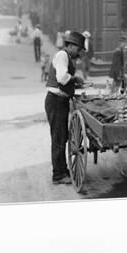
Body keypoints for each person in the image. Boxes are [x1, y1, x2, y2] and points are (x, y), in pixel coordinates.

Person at [44, 31, 86, 185]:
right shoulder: (62, 55)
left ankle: (62, 169)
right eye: (79, 49)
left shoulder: (67, 57)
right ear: (71, 46)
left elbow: (64, 79)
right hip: (55, 101)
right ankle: (58, 175)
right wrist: (74, 78)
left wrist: (76, 83)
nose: (79, 53)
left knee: (62, 136)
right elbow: (62, 78)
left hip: (60, 101)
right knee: (58, 138)